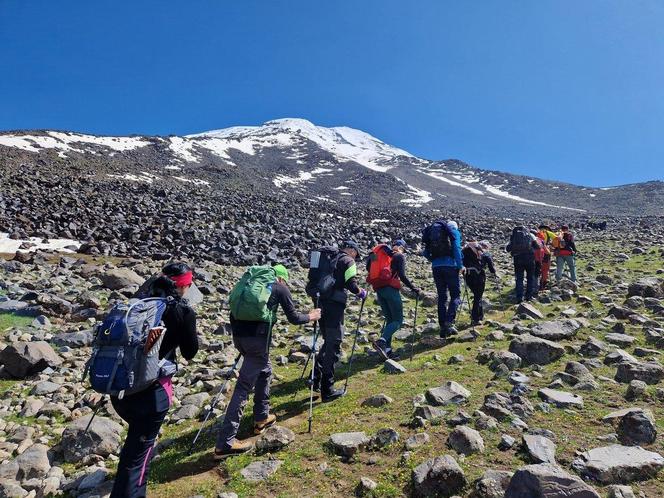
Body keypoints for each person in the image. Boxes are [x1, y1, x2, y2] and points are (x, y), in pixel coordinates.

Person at [111, 262, 199, 498]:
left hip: (119, 387)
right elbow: (191, 351)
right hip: (151, 392)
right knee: (138, 458)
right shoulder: (182, 311)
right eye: (189, 285)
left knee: (134, 450)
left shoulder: (137, 303)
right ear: (183, 286)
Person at [214, 264, 320, 459]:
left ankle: (261, 417)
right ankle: (225, 443)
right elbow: (294, 318)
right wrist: (311, 316)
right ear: (281, 278)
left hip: (239, 337)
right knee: (243, 387)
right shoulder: (279, 287)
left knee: (265, 369)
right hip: (258, 340)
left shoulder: (249, 284)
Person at [312, 240, 366, 402]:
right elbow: (351, 284)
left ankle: (315, 377)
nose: (355, 257)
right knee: (334, 343)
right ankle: (327, 390)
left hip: (319, 302)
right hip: (334, 306)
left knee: (327, 340)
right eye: (356, 253)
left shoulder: (325, 258)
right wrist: (361, 292)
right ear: (352, 250)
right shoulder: (348, 261)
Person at [367, 239, 420, 360]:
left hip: (379, 289)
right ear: (402, 247)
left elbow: (368, 267)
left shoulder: (382, 254)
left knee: (390, 319)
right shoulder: (399, 256)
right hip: (391, 289)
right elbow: (402, 275)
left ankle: (387, 349)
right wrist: (413, 288)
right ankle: (381, 341)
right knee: (398, 320)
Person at [423, 220, 464, 338]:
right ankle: (449, 322)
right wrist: (460, 265)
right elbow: (456, 248)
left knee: (442, 297)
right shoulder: (453, 232)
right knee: (455, 295)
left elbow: (425, 252)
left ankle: (442, 327)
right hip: (450, 267)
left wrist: (434, 261)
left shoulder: (433, 234)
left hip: (436, 268)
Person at [462, 239, 496, 325]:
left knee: (477, 296)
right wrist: (493, 272)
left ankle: (480, 315)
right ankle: (475, 318)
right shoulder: (483, 252)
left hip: (468, 276)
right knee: (478, 297)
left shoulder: (465, 251)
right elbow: (490, 264)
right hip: (479, 276)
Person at [506, 226, 540, 303]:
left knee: (519, 279)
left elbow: (508, 249)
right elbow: (537, 247)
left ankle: (519, 298)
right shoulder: (530, 235)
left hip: (518, 259)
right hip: (530, 259)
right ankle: (529, 296)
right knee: (530, 278)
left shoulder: (514, 236)